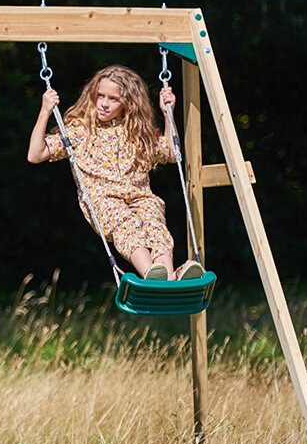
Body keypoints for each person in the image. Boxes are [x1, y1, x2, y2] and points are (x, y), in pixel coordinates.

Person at [27, 64, 205, 282]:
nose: (103, 103)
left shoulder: (136, 132)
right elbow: (35, 154)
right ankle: (151, 273)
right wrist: (45, 110)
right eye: (100, 95)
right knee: (126, 224)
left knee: (155, 223)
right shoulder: (81, 131)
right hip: (104, 201)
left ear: (128, 104)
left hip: (140, 197)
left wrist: (168, 113)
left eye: (113, 99)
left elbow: (170, 153)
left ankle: (167, 276)